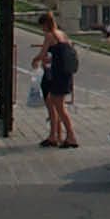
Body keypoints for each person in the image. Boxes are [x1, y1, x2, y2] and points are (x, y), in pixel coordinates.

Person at [29, 11, 78, 149]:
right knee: (52, 103)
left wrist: (35, 60)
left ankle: (71, 136)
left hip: (58, 74)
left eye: (42, 26)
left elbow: (43, 53)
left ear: (45, 24)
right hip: (65, 74)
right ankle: (54, 135)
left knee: (59, 106)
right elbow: (61, 52)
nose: (42, 29)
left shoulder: (50, 36)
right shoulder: (62, 34)